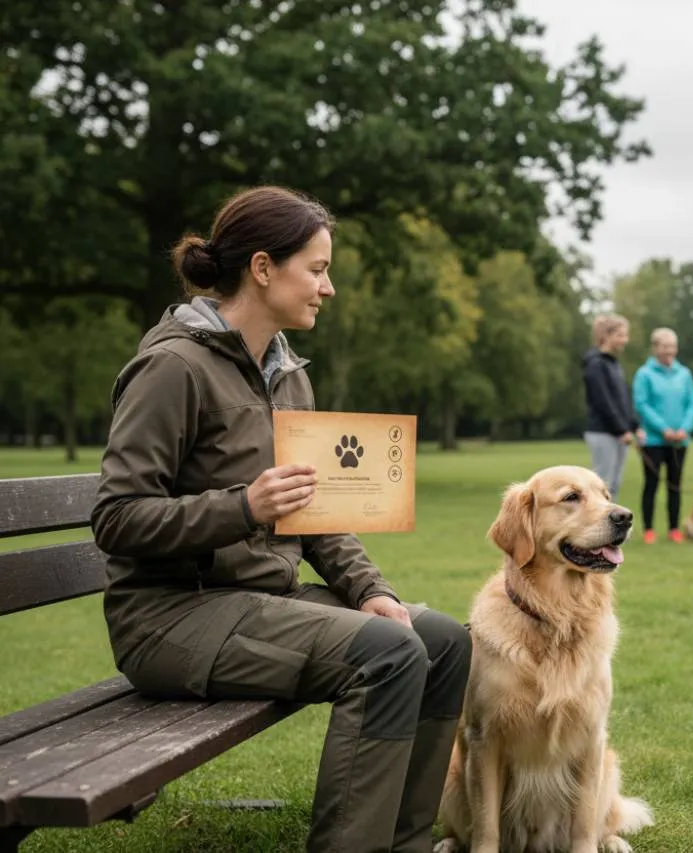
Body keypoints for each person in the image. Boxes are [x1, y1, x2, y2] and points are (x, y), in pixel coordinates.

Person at [90, 186, 471, 853]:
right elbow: (118, 519)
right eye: (317, 269)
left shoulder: (288, 375)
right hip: (171, 617)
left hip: (263, 600)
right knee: (385, 656)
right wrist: (243, 507)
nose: (329, 288)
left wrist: (372, 590)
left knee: (440, 639)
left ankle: (406, 843)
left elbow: (317, 512)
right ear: (263, 268)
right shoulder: (172, 367)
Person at [632, 327, 693, 544]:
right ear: (655, 348)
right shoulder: (644, 374)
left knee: (675, 485)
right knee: (651, 484)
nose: (669, 351)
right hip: (653, 440)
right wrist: (663, 429)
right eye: (664, 346)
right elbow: (642, 404)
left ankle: (674, 528)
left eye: (672, 346)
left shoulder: (685, 374)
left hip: (680, 440)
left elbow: (692, 403)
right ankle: (649, 529)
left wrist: (684, 428)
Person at [582, 313, 644, 497]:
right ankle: (598, 526)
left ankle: (611, 526)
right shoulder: (595, 365)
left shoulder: (613, 364)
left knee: (614, 485)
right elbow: (603, 402)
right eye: (621, 335)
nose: (625, 340)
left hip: (617, 433)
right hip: (602, 432)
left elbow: (622, 400)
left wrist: (634, 426)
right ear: (606, 336)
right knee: (601, 486)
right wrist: (621, 430)